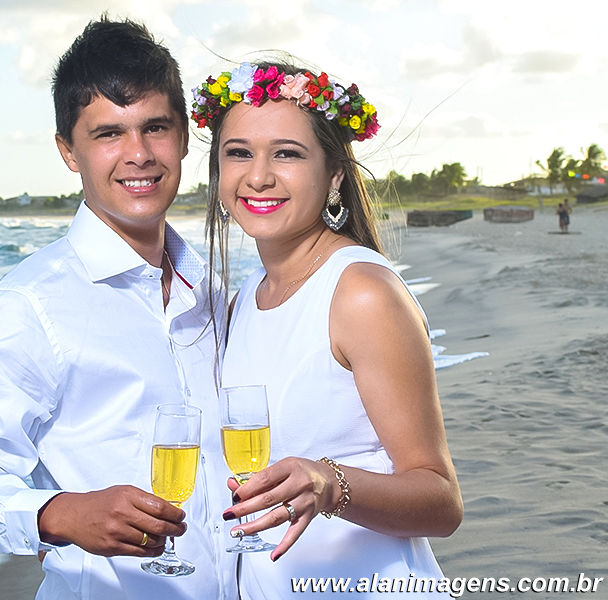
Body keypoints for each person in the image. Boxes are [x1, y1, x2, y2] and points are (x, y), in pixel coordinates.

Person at [0, 18, 236, 599]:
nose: (138, 154)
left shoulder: (213, 291)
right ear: (69, 151)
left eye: (156, 128)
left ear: (185, 138)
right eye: (108, 133)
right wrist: (60, 513)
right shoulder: (28, 306)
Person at [193, 61, 463, 597]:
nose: (258, 176)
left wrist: (329, 484)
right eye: (238, 152)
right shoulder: (244, 300)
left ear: (335, 173)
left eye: (287, 154)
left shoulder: (361, 293)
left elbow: (441, 501)